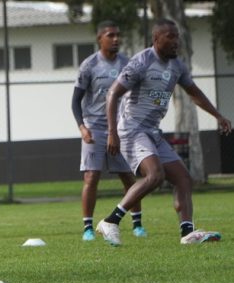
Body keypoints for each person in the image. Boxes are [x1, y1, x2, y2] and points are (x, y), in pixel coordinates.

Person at [97, 18, 232, 246]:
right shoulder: (141, 62)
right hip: (131, 129)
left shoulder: (177, 66)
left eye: (177, 36)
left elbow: (194, 92)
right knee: (155, 175)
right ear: (156, 39)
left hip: (152, 131)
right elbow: (112, 94)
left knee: (183, 179)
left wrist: (218, 115)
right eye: (170, 36)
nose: (176, 41)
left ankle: (187, 233)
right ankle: (111, 221)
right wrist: (112, 132)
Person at [72, 21, 147, 242]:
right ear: (99, 39)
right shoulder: (89, 65)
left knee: (128, 176)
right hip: (95, 128)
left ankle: (137, 224)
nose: (115, 39)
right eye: (110, 35)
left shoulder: (128, 64)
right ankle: (87, 228)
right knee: (91, 176)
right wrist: (82, 127)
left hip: (123, 128)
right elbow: (75, 101)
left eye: (118, 35)